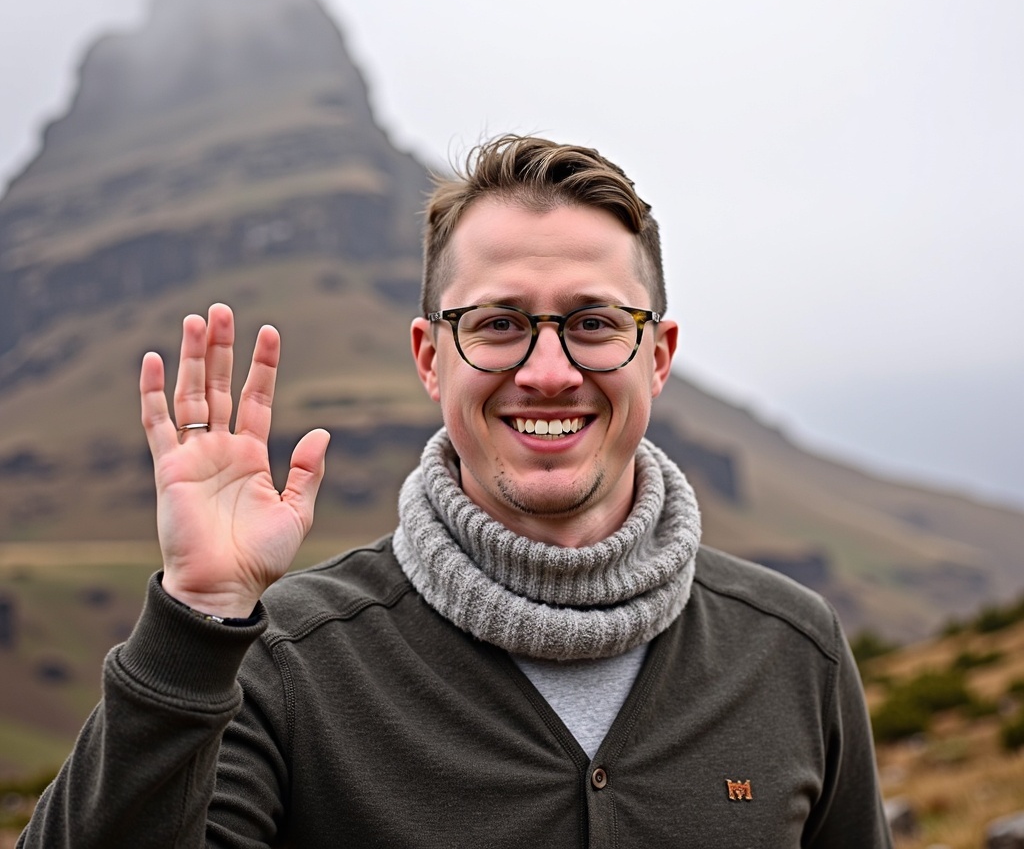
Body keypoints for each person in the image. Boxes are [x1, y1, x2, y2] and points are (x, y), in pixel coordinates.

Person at [19, 135, 892, 848]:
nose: (548, 372)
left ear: (656, 357)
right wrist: (195, 619)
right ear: (430, 358)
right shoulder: (283, 663)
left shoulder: (792, 649)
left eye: (593, 323)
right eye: (498, 324)